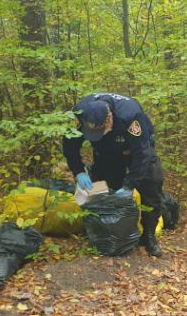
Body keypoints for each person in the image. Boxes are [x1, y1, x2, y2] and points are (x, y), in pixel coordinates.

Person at [63, 93, 165, 257]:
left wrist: (129, 184)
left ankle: (149, 236)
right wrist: (79, 171)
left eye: (101, 131)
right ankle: (104, 233)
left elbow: (142, 155)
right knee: (102, 187)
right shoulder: (79, 115)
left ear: (109, 118)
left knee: (152, 183)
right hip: (106, 151)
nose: (98, 134)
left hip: (135, 148)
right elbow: (69, 147)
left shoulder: (130, 116)